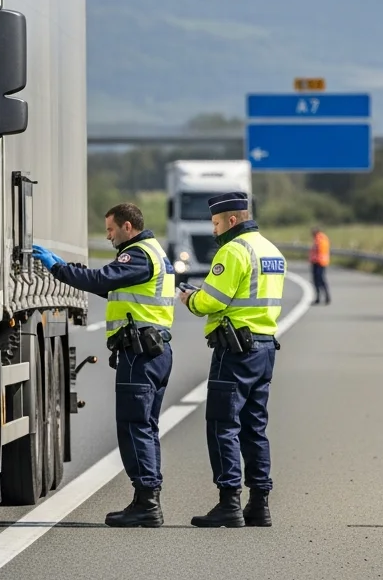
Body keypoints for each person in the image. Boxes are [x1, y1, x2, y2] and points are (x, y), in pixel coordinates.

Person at [32, 202, 174, 527]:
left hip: (140, 353)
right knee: (145, 427)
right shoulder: (155, 251)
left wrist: (57, 268)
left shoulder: (137, 254)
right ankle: (146, 499)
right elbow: (111, 284)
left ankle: (147, 502)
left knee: (135, 426)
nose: (108, 236)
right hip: (154, 351)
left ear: (128, 226)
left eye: (111, 229)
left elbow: (101, 280)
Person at [179, 191, 285, 528]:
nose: (213, 230)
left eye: (216, 223)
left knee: (223, 425)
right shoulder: (272, 251)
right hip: (265, 348)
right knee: (255, 428)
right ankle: (259, 504)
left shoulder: (234, 250)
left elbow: (212, 301)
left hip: (236, 351)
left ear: (232, 220)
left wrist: (190, 299)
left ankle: (228, 502)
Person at [308, 226, 331, 305]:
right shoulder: (321, 238)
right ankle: (323, 297)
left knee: (319, 280)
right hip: (320, 261)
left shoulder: (319, 239)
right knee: (319, 280)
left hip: (318, 262)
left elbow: (318, 250)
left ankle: (322, 297)